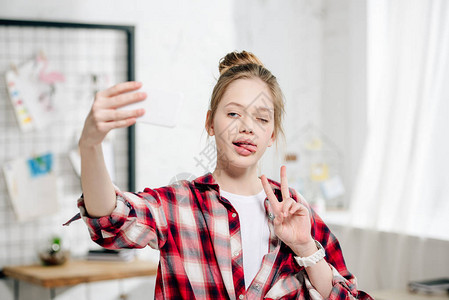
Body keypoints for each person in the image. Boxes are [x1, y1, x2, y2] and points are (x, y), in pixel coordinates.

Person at [64, 50, 373, 300]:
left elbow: (346, 296)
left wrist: (305, 247)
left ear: (273, 134)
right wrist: (90, 145)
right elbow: (110, 221)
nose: (247, 127)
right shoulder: (179, 204)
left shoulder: (295, 209)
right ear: (210, 122)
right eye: (233, 113)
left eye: (262, 118)